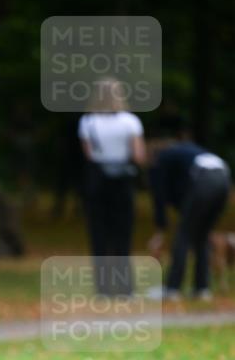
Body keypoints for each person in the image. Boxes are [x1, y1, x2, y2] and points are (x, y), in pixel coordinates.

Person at [78, 79, 146, 296]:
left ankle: (103, 288)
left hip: (97, 180)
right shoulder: (130, 122)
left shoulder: (87, 121)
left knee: (99, 234)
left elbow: (88, 154)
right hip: (122, 181)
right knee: (122, 234)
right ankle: (125, 288)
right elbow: (138, 156)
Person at [147, 128, 231, 300]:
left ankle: (172, 288)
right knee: (201, 235)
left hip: (205, 180)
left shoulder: (162, 158)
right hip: (224, 179)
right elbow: (183, 195)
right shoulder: (185, 153)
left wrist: (160, 230)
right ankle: (202, 288)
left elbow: (160, 194)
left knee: (183, 235)